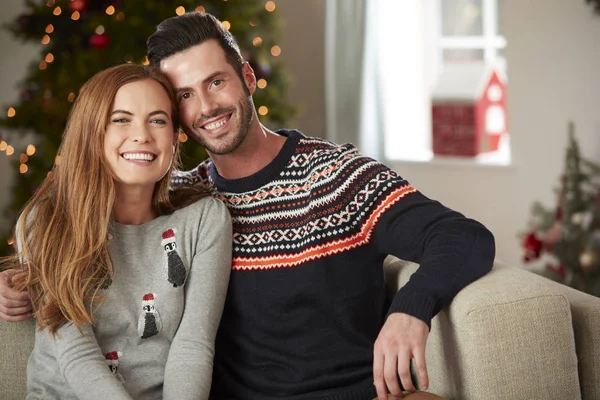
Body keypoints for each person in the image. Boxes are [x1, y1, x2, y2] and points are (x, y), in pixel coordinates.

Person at [1, 11, 495, 400]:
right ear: (176, 116)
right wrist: (22, 278)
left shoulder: (339, 175)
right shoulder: (183, 201)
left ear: (247, 77)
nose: (207, 107)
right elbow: (95, 244)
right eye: (185, 96)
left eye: (216, 82)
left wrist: (412, 308)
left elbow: (464, 237)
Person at [0, 64, 232, 399]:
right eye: (121, 119)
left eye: (158, 120)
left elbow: (193, 346)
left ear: (174, 135)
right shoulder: (48, 220)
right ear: (92, 132)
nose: (142, 135)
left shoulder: (203, 219)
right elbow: (77, 355)